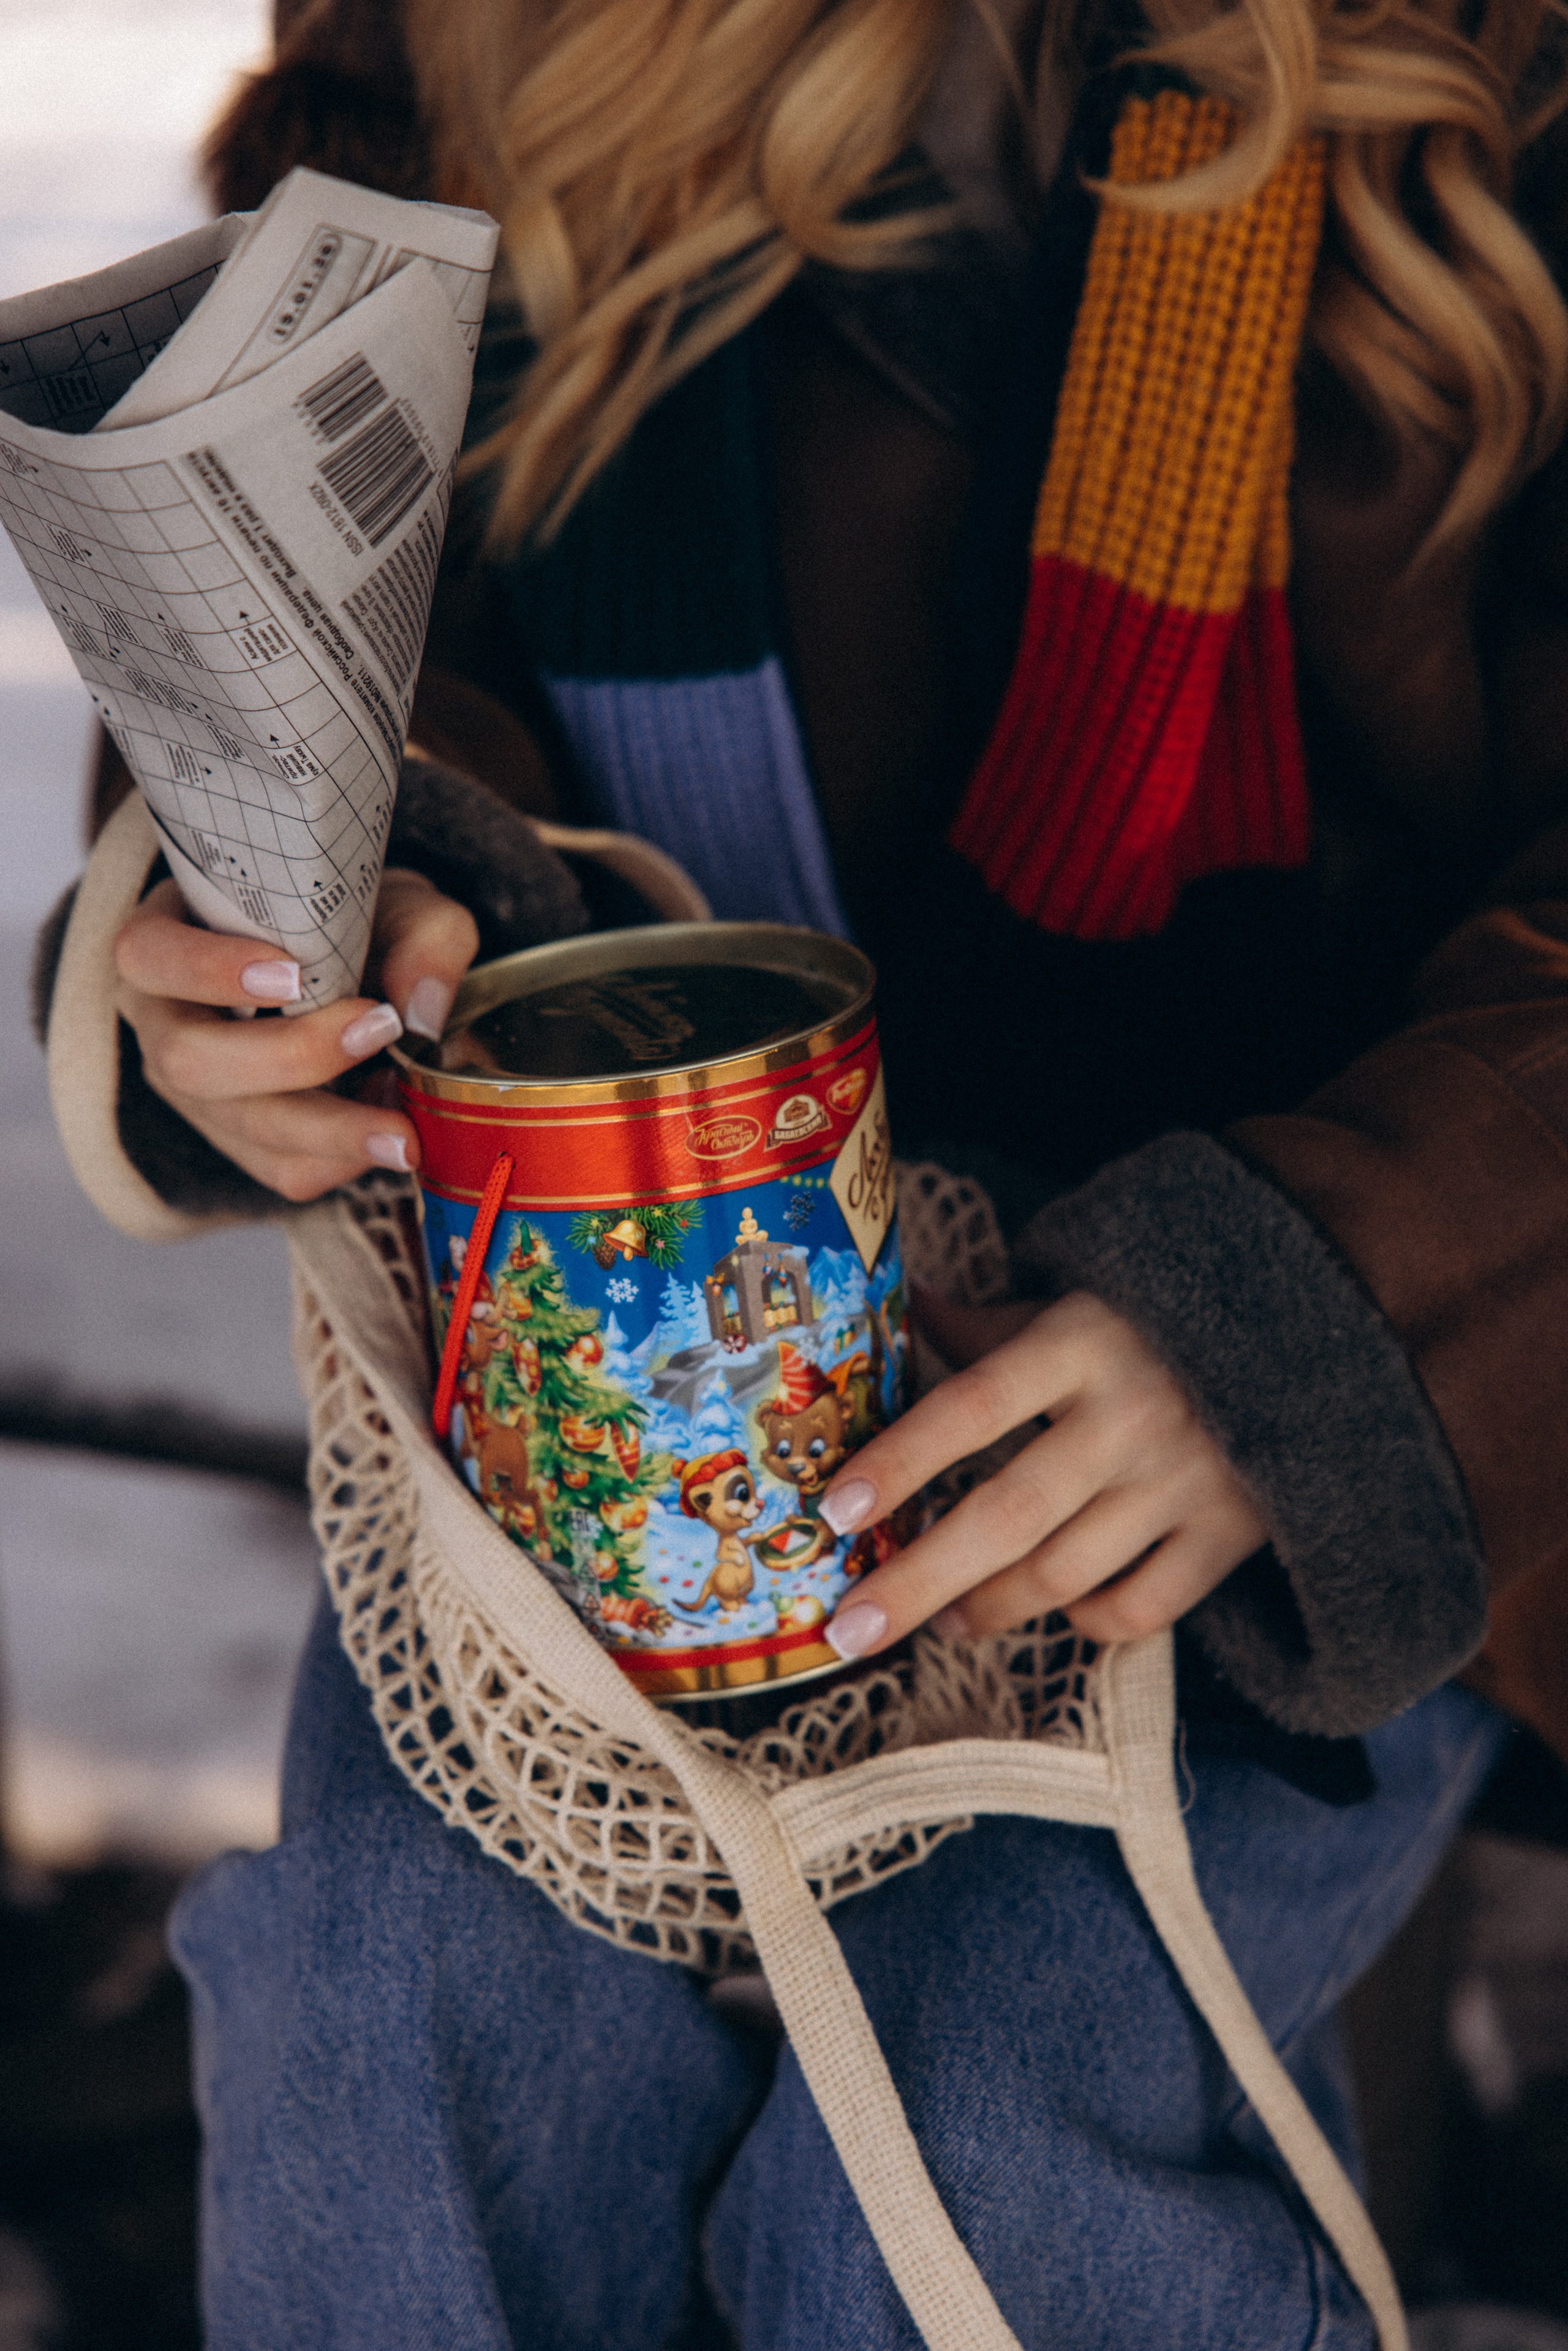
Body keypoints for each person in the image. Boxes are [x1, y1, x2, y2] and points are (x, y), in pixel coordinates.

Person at [34, 0, 1568, 2340]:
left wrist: (1322, 1325)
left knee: (994, 2138)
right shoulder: (475, 38)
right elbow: (360, 556)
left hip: (1299, 1408)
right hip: (607, 1316)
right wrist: (302, 906)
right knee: (386, 2018)